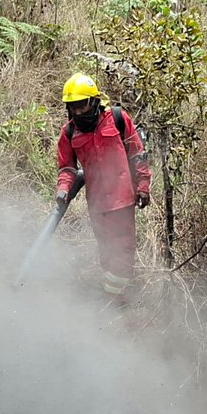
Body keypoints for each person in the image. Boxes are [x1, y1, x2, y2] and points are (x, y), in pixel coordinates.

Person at [55, 73, 151, 300]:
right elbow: (67, 168)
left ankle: (116, 301)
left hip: (122, 199)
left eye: (82, 106)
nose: (78, 112)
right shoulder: (69, 133)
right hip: (97, 203)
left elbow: (137, 154)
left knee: (123, 249)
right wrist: (63, 189)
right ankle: (115, 292)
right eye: (73, 107)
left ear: (94, 101)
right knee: (107, 251)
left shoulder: (118, 119)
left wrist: (143, 186)